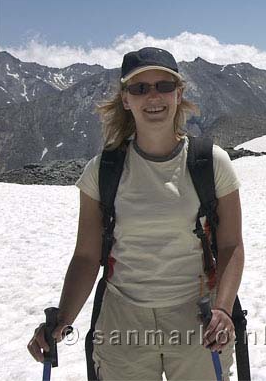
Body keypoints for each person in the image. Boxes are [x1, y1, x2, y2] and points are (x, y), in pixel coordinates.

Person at [27, 47, 245, 380]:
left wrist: (223, 311)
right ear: (126, 99)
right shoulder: (102, 171)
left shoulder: (211, 163)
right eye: (140, 88)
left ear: (179, 94)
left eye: (163, 86)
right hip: (122, 320)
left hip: (198, 317)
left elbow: (231, 245)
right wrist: (63, 319)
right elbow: (86, 256)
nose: (153, 96)